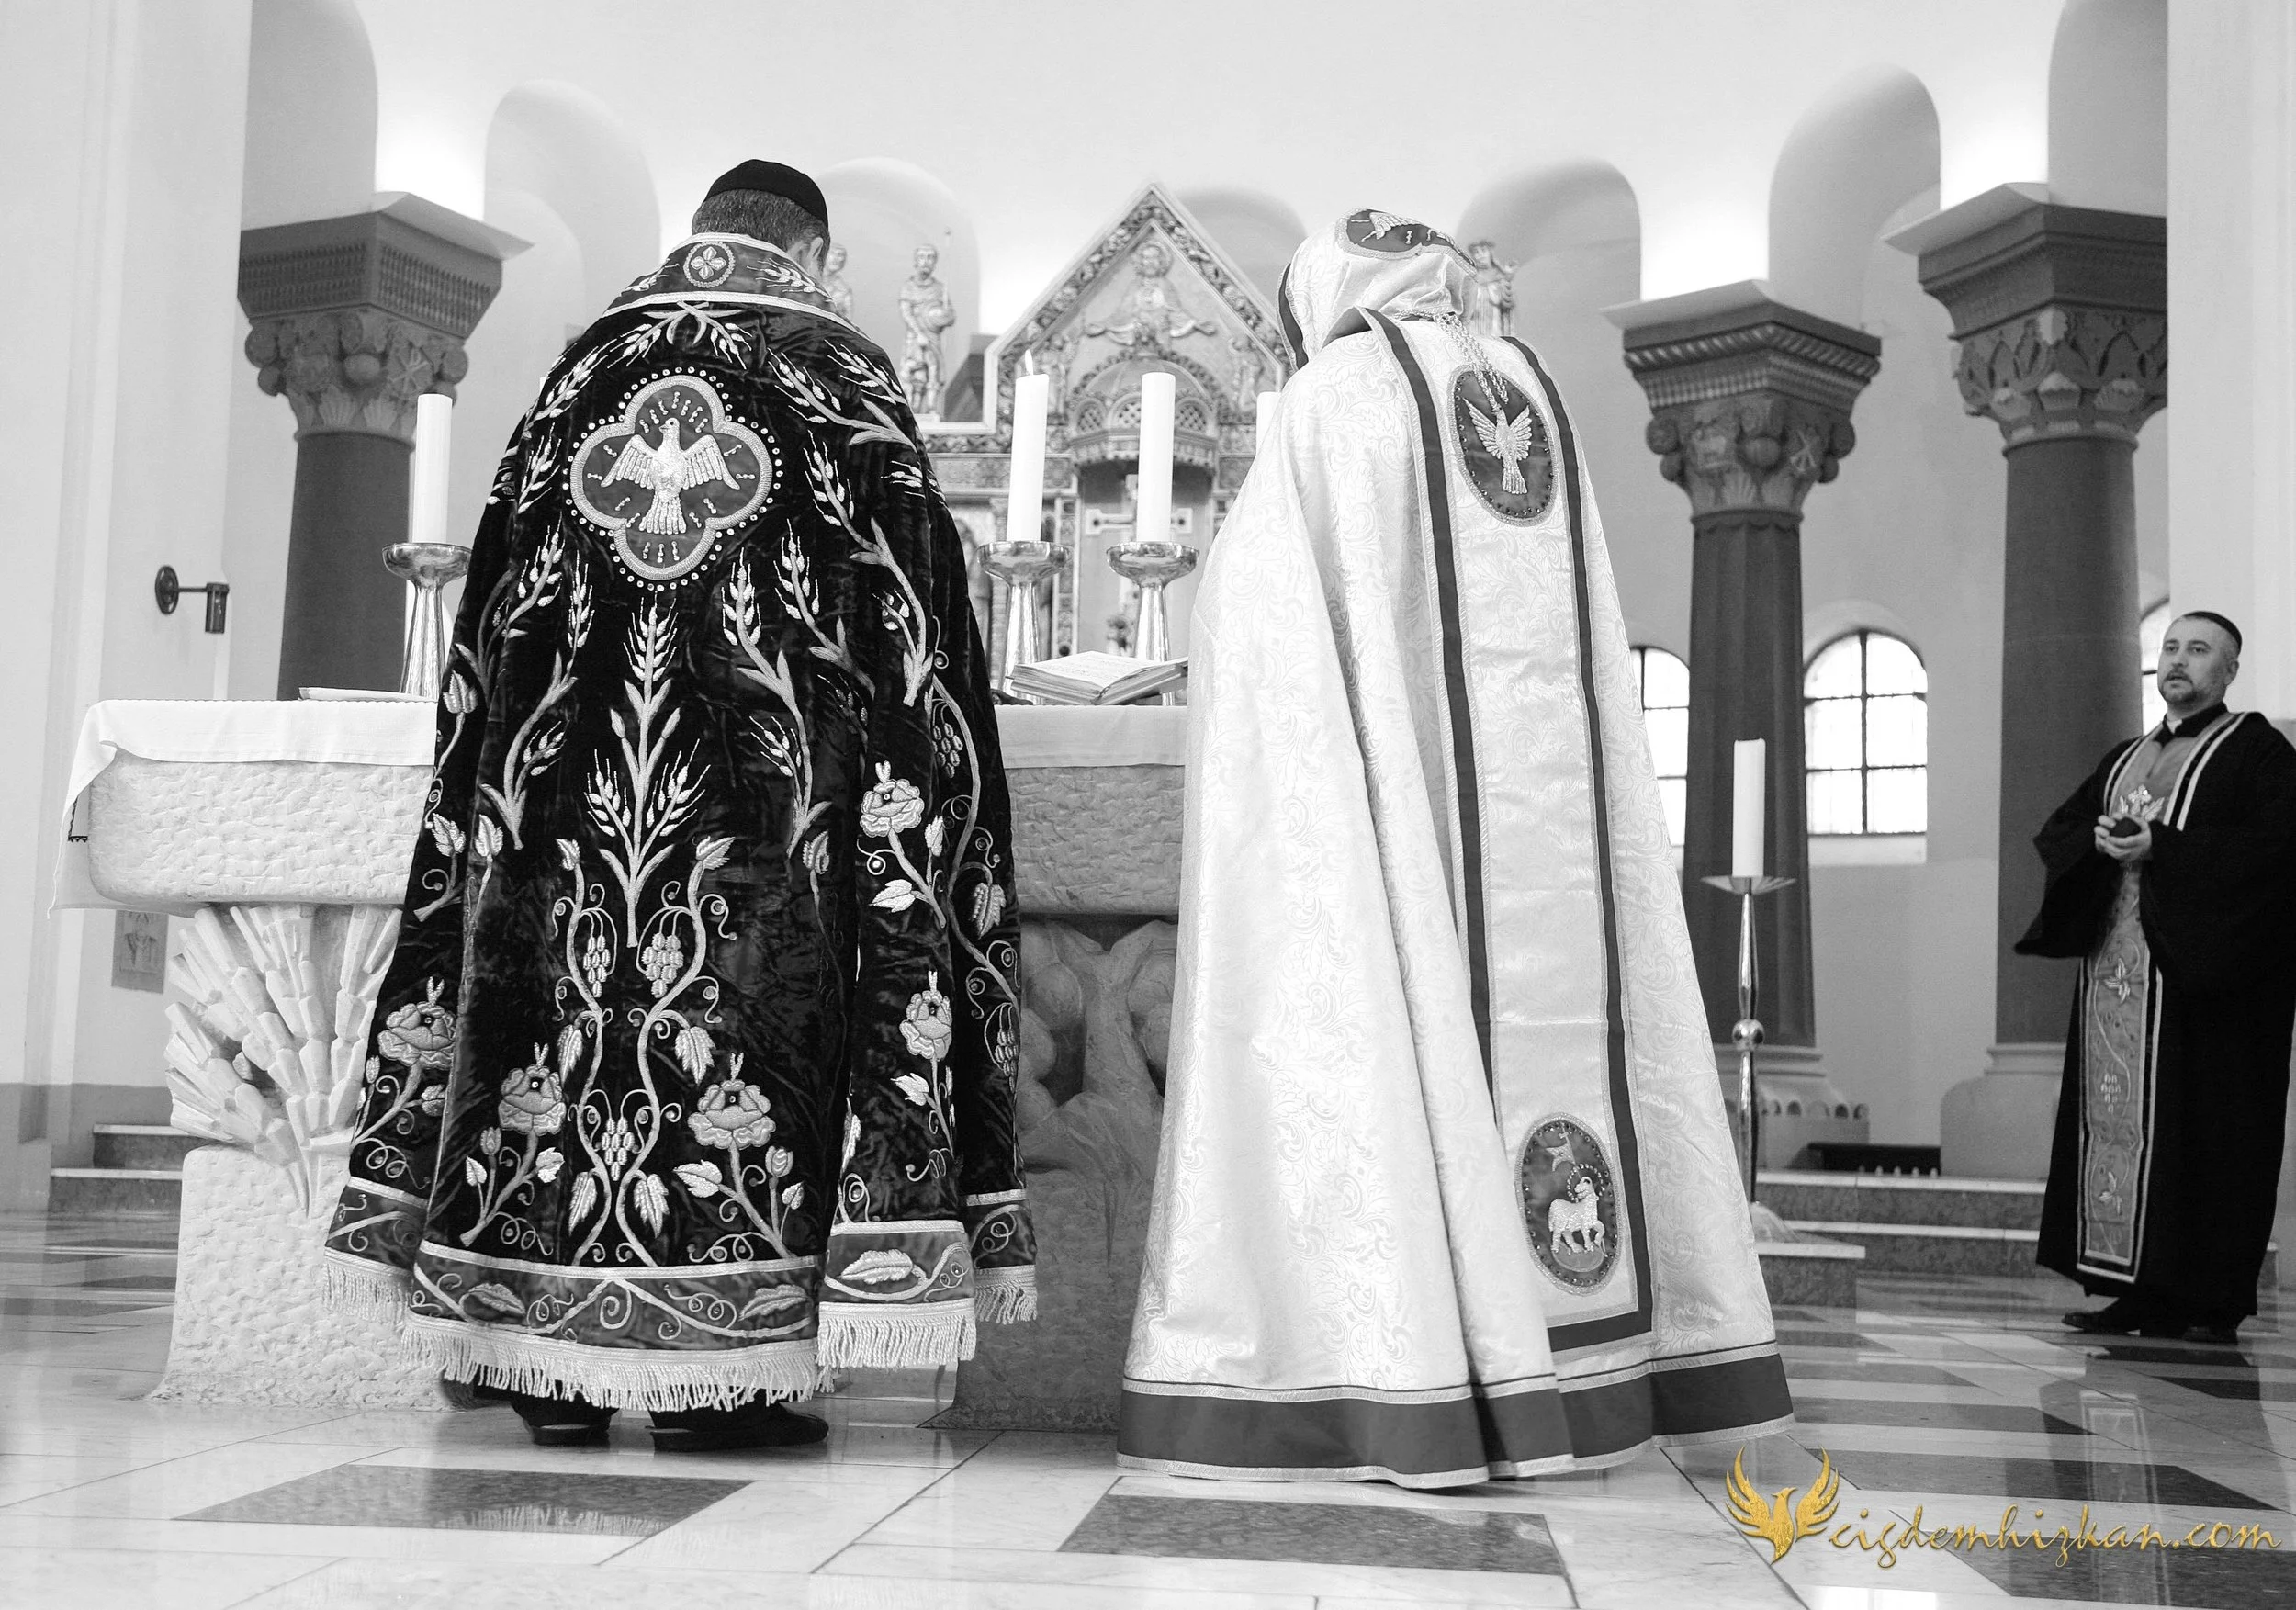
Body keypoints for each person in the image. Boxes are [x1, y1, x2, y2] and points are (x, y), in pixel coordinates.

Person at [323, 159, 1035, 1451]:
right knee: (743, 1056)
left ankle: (544, 1368)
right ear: (812, 254)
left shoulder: (571, 381)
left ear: (700, 235)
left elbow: (486, 634)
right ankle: (730, 1386)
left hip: (555, 830)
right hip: (764, 841)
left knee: (554, 1049)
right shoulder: (842, 379)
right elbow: (919, 638)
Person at [1120, 209, 1790, 1487]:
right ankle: (1586, 1361)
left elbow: (1266, 633)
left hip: (1393, 827)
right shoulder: (1532, 390)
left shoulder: (1333, 397)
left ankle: (1422, 1361)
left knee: (1380, 1016)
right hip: (1551, 858)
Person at [2022, 611, 2296, 1345]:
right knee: (2123, 1132)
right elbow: (2060, 831)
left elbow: (2277, 853)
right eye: (2171, 647)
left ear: (2229, 671)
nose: (2179, 660)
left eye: (2198, 650)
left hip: (2208, 993)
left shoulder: (2260, 753)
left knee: (2206, 1136)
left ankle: (2209, 1298)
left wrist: (2165, 849)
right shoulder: (2126, 757)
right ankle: (2132, 1291)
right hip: (2120, 984)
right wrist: (2101, 840)